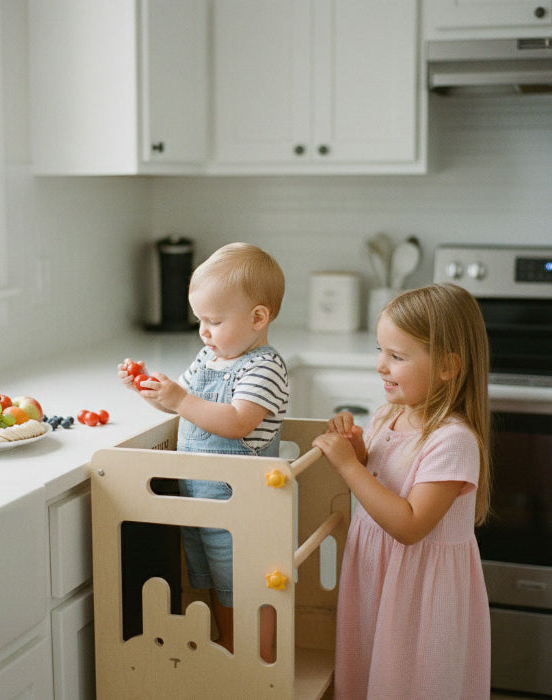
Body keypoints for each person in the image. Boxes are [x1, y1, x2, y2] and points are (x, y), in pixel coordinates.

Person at [312, 283, 491, 699]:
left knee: (414, 681)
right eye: (380, 351)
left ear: (448, 367)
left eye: (397, 356)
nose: (380, 366)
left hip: (421, 591)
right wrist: (357, 451)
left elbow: (410, 525)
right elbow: (382, 481)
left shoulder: (453, 440)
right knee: (372, 671)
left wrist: (346, 466)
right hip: (377, 574)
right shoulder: (388, 416)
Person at [119, 242, 289, 663]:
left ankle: (259, 656)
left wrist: (179, 400)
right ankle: (232, 650)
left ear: (258, 318)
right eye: (200, 320)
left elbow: (236, 421)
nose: (204, 331)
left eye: (214, 320)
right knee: (216, 582)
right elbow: (178, 402)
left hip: (242, 504)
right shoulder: (209, 358)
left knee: (247, 584)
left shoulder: (263, 367)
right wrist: (149, 391)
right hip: (202, 502)